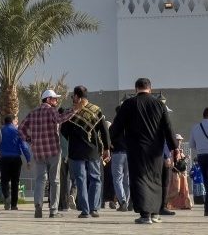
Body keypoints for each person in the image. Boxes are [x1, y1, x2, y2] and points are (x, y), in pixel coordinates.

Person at [110, 78, 178, 224]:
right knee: (155, 178)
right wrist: (174, 147)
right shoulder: (159, 104)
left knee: (139, 179)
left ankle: (145, 215)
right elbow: (168, 128)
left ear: (135, 89)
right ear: (150, 89)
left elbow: (116, 127)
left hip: (136, 149)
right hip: (156, 151)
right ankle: (155, 214)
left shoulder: (128, 104)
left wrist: (112, 141)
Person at [18, 89, 77, 218]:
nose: (57, 101)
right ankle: (53, 210)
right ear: (49, 100)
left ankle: (38, 206)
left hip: (38, 152)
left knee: (40, 180)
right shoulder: (51, 111)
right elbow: (61, 118)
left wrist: (30, 140)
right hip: (53, 151)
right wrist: (74, 110)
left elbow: (21, 129)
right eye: (55, 99)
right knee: (55, 181)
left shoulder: (32, 113)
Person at [61, 85, 110, 219]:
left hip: (75, 152)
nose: (72, 99)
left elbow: (64, 132)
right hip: (93, 151)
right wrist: (106, 148)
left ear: (77, 97)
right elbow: (104, 131)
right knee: (95, 179)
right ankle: (94, 208)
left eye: (73, 96)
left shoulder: (70, 112)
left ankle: (85, 210)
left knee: (81, 180)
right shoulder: (96, 110)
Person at [0, 114, 31, 211]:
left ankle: (6, 196)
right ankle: (14, 205)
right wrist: (28, 159)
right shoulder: (18, 131)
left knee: (4, 180)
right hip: (16, 159)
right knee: (15, 182)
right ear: (13, 121)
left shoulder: (1, 130)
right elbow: (24, 147)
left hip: (4, 158)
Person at [110, 105, 130, 212]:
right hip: (129, 153)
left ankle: (122, 202)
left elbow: (109, 142)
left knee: (117, 179)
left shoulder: (114, 126)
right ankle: (126, 201)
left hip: (118, 153)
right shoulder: (130, 125)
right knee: (127, 179)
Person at [165, 134, 191, 210]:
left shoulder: (179, 150)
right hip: (176, 172)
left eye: (180, 140)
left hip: (182, 173)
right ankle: (165, 202)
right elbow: (173, 163)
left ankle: (185, 205)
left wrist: (185, 158)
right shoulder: (173, 150)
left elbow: (181, 161)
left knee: (184, 189)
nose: (179, 141)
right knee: (176, 190)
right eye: (178, 140)